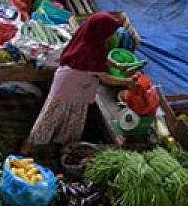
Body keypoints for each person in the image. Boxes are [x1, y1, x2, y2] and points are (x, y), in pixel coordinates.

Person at [23, 12, 123, 153]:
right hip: (69, 86)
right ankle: (26, 149)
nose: (112, 35)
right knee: (50, 118)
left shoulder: (88, 37)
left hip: (75, 85)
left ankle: (62, 149)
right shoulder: (91, 49)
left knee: (70, 119)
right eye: (111, 32)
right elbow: (105, 78)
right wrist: (128, 82)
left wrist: (117, 65)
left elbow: (101, 57)